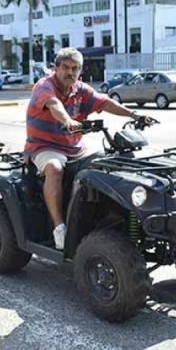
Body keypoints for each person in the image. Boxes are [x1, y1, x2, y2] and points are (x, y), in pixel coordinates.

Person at [25, 47, 150, 250]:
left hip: (75, 147)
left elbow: (105, 102)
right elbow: (54, 104)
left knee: (110, 164)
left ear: (80, 71)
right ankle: (59, 228)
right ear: (55, 68)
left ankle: (101, 217)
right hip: (44, 146)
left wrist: (134, 115)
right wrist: (67, 120)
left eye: (75, 68)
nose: (70, 73)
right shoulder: (44, 86)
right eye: (65, 67)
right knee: (55, 169)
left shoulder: (81, 89)